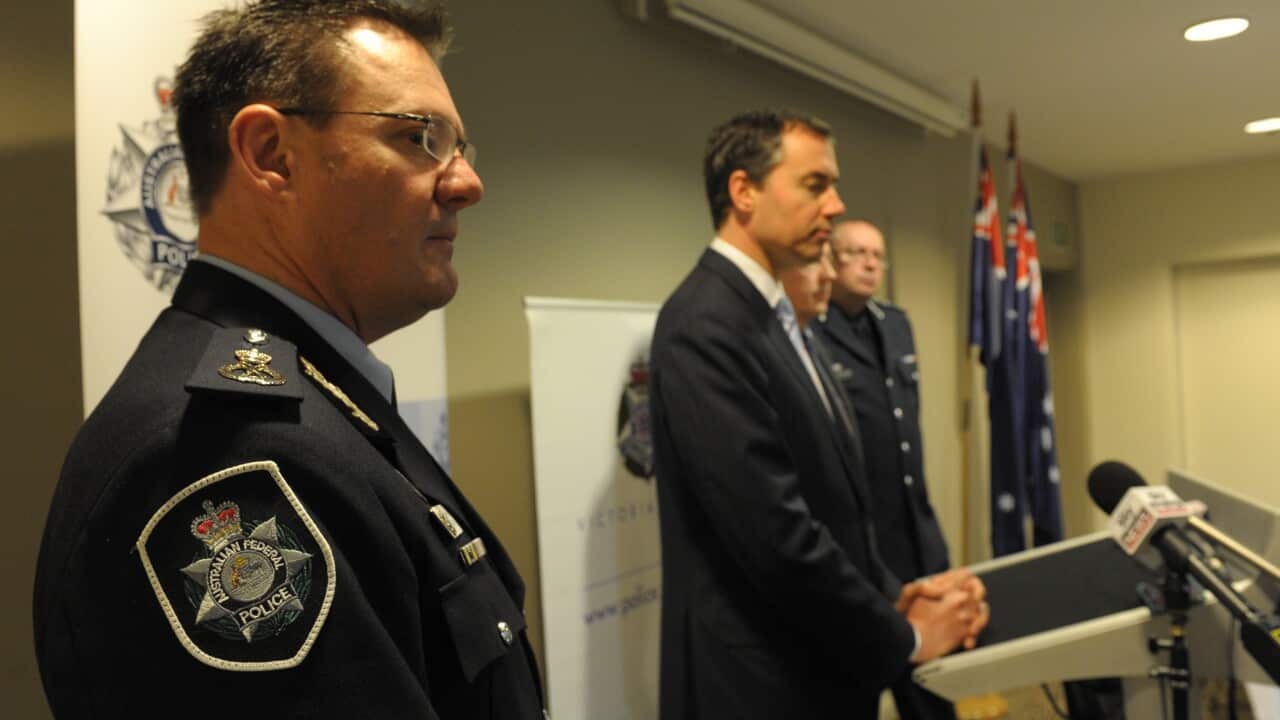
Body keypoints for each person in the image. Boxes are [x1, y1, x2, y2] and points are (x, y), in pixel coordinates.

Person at [32, 2, 545, 718]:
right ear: (272, 155)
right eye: (421, 137)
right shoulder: (230, 456)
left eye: (461, 147)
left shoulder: (310, 403)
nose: (466, 183)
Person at [649, 109, 988, 720]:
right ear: (744, 191)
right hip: (759, 687)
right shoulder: (705, 325)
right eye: (815, 184)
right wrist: (905, 635)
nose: (834, 205)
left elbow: (831, 504)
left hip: (814, 668)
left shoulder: (774, 318)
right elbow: (776, 536)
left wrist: (895, 595)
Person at [812, 222, 955, 718]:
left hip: (915, 538)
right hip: (859, 550)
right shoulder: (811, 331)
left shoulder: (895, 324)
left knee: (934, 691)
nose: (871, 264)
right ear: (831, 260)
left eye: (878, 255)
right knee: (858, 693)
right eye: (857, 253)